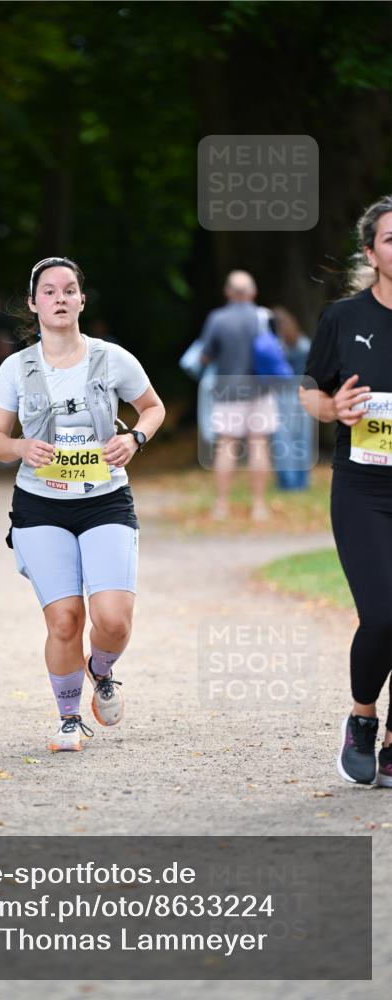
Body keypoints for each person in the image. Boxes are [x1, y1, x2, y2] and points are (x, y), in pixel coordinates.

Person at [0, 257, 165, 752]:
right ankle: (68, 718)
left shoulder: (112, 359)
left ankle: (100, 671)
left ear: (82, 300)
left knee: (113, 620)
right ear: (33, 304)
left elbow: (153, 407)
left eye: (69, 290)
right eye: (49, 291)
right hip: (40, 504)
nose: (59, 299)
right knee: (64, 618)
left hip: (105, 500)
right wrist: (20, 447)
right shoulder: (15, 369)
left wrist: (137, 439)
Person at [300, 195, 392, 788]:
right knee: (383, 613)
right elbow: (309, 390)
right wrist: (333, 406)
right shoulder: (344, 319)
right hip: (364, 484)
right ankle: (362, 718)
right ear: (371, 252)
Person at [200, 271, 279, 521]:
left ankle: (222, 506)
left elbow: (206, 355)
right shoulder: (264, 317)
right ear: (253, 293)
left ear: (228, 292)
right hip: (261, 389)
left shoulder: (218, 319)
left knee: (226, 446)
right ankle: (258, 506)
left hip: (228, 391)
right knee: (259, 444)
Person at [271, 306, 312, 490]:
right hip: (303, 394)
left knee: (283, 439)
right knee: (302, 439)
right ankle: (301, 481)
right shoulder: (304, 343)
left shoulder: (276, 346)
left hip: (283, 396)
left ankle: (288, 482)